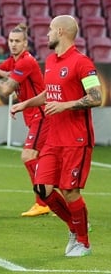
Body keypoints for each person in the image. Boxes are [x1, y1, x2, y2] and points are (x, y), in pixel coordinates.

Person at [10, 15, 102, 257]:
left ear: (61, 31)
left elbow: (96, 97)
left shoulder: (82, 63)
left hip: (76, 139)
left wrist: (65, 105)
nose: (47, 34)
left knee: (70, 191)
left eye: (50, 30)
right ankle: (74, 226)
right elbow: (49, 94)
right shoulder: (50, 60)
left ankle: (83, 242)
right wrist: (25, 104)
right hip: (54, 138)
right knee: (42, 188)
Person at [0, 23, 51, 217]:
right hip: (35, 116)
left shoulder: (26, 62)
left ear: (26, 43)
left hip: (42, 115)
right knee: (46, 160)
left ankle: (43, 202)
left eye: (17, 41)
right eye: (11, 41)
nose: (13, 44)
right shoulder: (13, 61)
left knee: (28, 156)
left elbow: (6, 89)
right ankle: (53, 199)